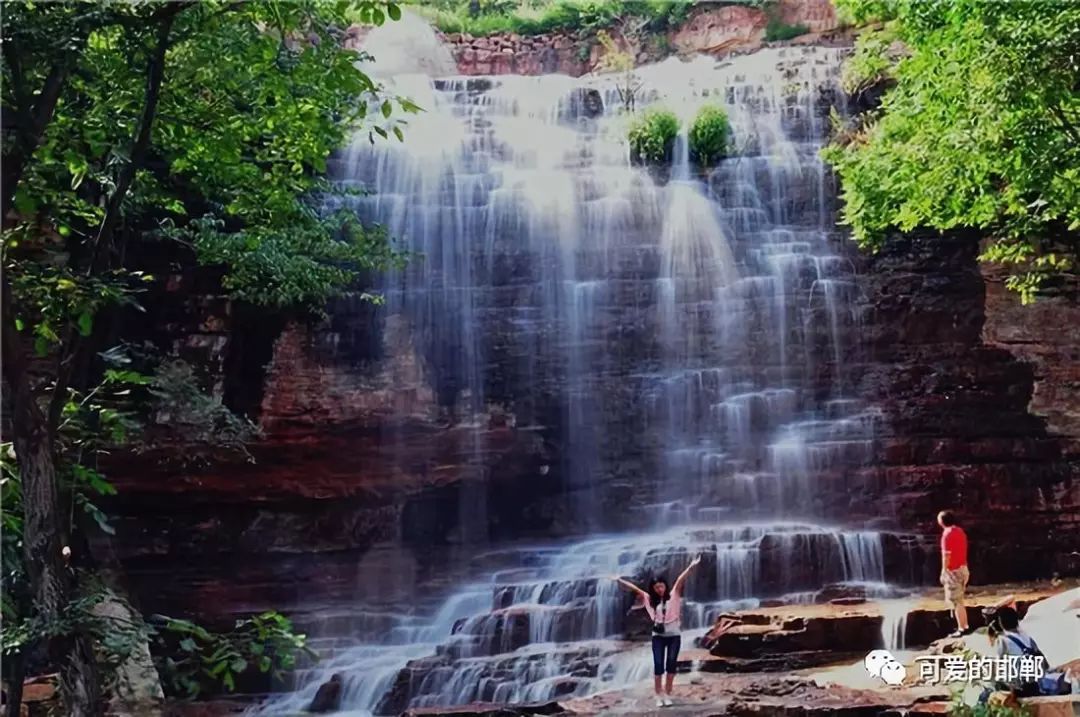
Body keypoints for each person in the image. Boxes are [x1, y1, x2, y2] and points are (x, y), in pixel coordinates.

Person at [611, 554, 703, 708]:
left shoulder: (673, 595)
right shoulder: (649, 599)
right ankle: (658, 694)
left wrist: (692, 566)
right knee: (659, 665)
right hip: (658, 636)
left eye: (661, 586)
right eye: (656, 587)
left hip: (674, 635)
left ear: (665, 585)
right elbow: (634, 589)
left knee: (671, 665)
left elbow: (681, 579)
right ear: (653, 589)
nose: (660, 589)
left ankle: (667, 694)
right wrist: (619, 580)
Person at [937, 510, 970, 637]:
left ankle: (962, 628)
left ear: (942, 521)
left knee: (956, 601)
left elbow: (947, 556)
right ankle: (963, 625)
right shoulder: (960, 531)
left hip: (953, 570)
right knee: (960, 599)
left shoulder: (947, 535)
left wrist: (943, 571)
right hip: (963, 568)